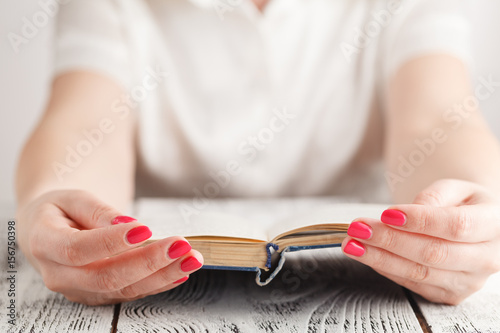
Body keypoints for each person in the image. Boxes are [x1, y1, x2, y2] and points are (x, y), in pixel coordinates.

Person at [15, 0, 500, 306]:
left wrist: (465, 213)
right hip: (163, 274)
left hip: (367, 273)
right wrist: (60, 209)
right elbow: (84, 121)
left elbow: (439, 117)